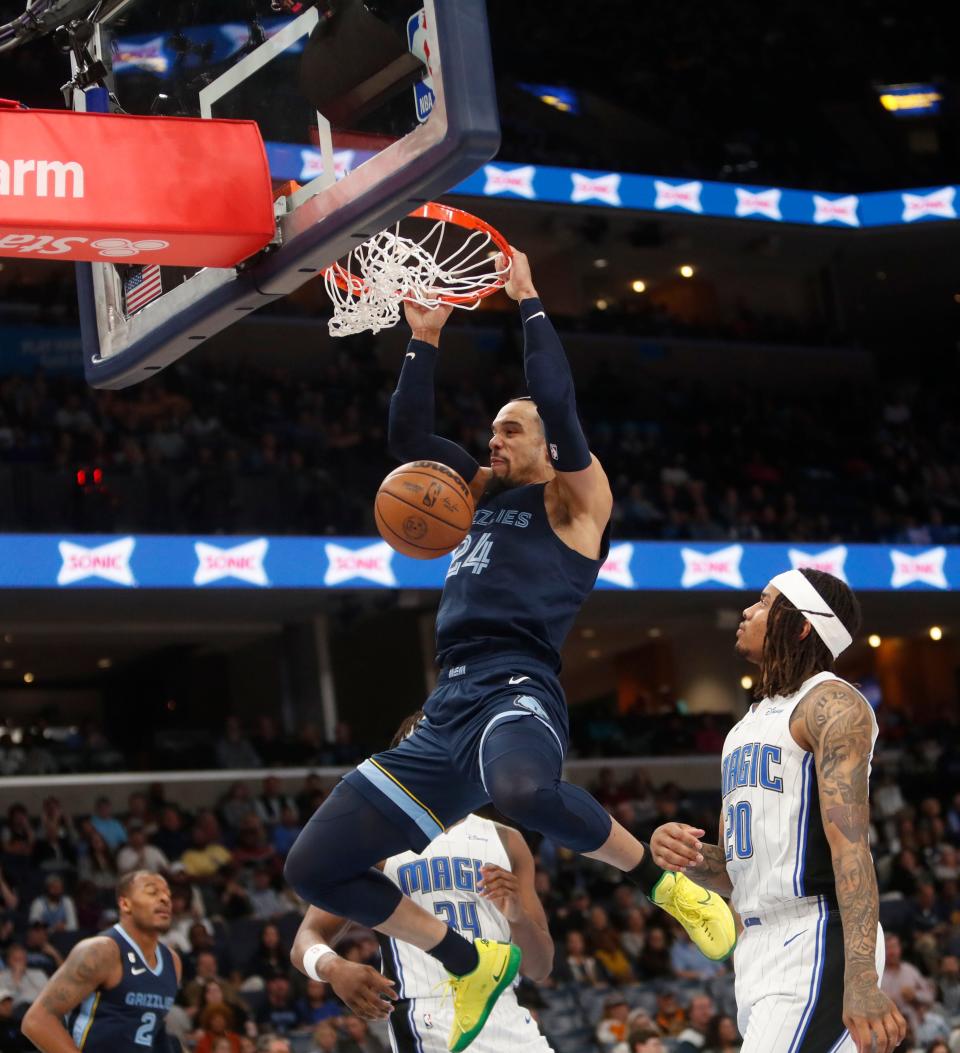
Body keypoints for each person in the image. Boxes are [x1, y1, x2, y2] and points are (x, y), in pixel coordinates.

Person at [284, 250, 735, 1052]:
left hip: (518, 684)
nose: (492, 439)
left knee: (524, 788)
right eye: (491, 426)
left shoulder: (573, 500)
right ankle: (468, 960)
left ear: (544, 445)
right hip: (446, 704)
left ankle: (666, 886)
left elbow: (557, 406)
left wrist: (526, 297)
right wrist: (423, 338)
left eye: (508, 428)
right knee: (314, 867)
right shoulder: (474, 490)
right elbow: (405, 436)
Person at [650, 569, 908, 1053]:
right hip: (756, 946)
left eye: (765, 602)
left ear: (802, 625)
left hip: (816, 936)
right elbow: (734, 871)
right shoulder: (747, 725)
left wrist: (861, 977)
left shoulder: (832, 704)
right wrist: (686, 853)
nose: (748, 610)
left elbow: (852, 849)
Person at [291, 712, 556, 1053]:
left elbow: (540, 967)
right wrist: (333, 967)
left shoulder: (507, 840)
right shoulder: (374, 841)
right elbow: (305, 938)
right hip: (428, 1014)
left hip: (505, 1011)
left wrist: (518, 916)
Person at [21, 870, 181, 1052]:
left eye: (168, 894)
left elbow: (153, 1029)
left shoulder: (172, 961)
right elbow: (37, 1021)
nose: (165, 899)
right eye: (152, 892)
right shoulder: (101, 951)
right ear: (125, 903)